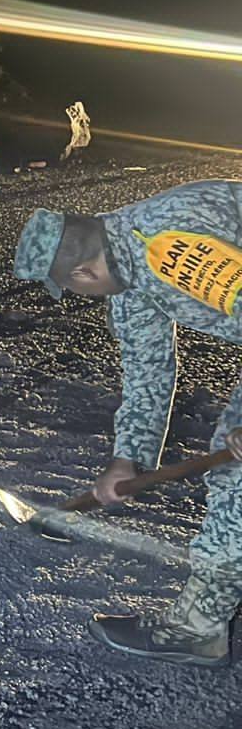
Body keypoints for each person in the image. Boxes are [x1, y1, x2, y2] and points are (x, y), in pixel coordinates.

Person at [15, 185, 242, 666]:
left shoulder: (169, 247)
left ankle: (196, 630)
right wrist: (128, 459)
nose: (79, 295)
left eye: (72, 289)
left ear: (82, 272)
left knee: (235, 477)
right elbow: (147, 369)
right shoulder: (124, 267)